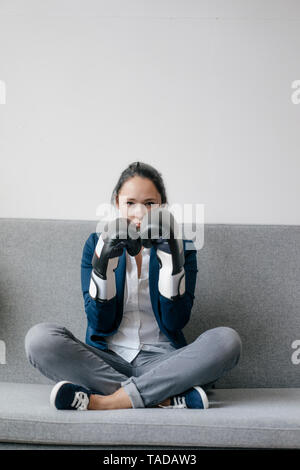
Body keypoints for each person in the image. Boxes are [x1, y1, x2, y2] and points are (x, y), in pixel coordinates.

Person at [24, 161, 242, 411]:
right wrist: (103, 267)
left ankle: (102, 402)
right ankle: (165, 397)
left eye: (149, 203)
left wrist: (172, 262)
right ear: (117, 202)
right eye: (130, 203)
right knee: (40, 339)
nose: (139, 213)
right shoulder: (95, 242)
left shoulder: (183, 245)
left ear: (162, 205)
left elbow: (175, 321)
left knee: (227, 341)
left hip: (164, 361)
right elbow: (100, 323)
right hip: (107, 360)